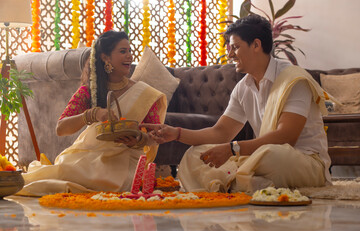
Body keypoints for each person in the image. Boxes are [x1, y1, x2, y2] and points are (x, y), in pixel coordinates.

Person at [141, 14, 334, 194]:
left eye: (235, 47)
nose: (230, 54)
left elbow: (286, 137)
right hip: (258, 160)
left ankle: (236, 184)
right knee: (195, 154)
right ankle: (250, 185)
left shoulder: (294, 80)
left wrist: (234, 149)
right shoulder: (244, 87)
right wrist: (176, 133)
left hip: (302, 162)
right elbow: (220, 132)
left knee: (270, 154)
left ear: (256, 45)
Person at [18, 30, 167, 196]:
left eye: (130, 51)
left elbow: (156, 137)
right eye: (123, 51)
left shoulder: (145, 94)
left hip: (125, 160)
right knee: (60, 175)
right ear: (105, 58)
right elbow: (61, 129)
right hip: (89, 155)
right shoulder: (89, 92)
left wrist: (139, 139)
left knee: (106, 181)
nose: (130, 56)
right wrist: (91, 114)